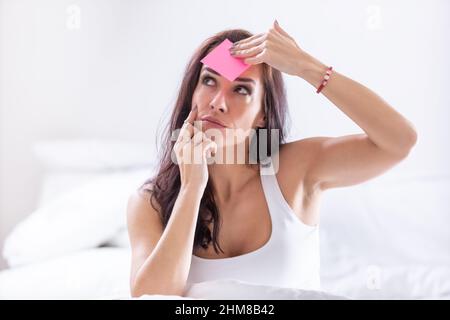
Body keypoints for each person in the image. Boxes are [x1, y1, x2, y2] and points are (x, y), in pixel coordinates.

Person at [127, 21, 417, 297]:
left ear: (263, 114)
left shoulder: (293, 169)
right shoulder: (151, 201)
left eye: (241, 89)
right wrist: (192, 189)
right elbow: (151, 296)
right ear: (192, 93)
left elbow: (399, 141)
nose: (217, 102)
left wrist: (306, 67)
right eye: (209, 81)